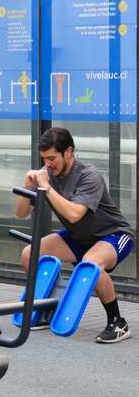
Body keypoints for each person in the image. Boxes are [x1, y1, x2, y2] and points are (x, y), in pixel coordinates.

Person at [16, 127, 133, 344]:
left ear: (68, 152)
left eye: (52, 158)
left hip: (113, 235)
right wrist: (28, 186)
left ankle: (117, 322)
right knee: (29, 254)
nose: (48, 164)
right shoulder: (47, 175)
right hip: (78, 237)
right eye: (44, 159)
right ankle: (48, 308)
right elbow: (21, 213)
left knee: (91, 263)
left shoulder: (89, 175)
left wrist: (46, 188)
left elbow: (74, 214)